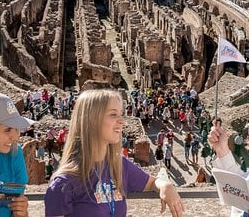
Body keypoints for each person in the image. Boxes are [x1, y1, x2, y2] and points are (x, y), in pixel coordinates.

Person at [44, 89, 184, 216]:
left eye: (121, 114)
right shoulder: (64, 183)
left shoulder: (119, 165)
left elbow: (151, 183)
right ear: (91, 120)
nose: (122, 121)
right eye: (113, 115)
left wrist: (165, 185)